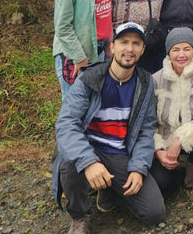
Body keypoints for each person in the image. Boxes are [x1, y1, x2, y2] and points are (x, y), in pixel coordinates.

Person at [52, 22, 165, 234]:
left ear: (142, 50)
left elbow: (145, 129)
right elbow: (67, 123)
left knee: (154, 212)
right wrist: (88, 162)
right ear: (112, 47)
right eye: (123, 42)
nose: (129, 49)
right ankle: (80, 215)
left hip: (120, 153)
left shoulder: (145, 82)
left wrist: (139, 168)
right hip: (90, 146)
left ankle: (109, 189)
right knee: (69, 161)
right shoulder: (89, 78)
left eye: (136, 43)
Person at [150, 27, 193, 193]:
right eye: (175, 49)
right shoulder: (156, 79)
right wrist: (158, 150)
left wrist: (180, 140)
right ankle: (173, 167)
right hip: (165, 139)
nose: (181, 55)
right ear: (168, 52)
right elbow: (147, 120)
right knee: (163, 185)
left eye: (187, 49)